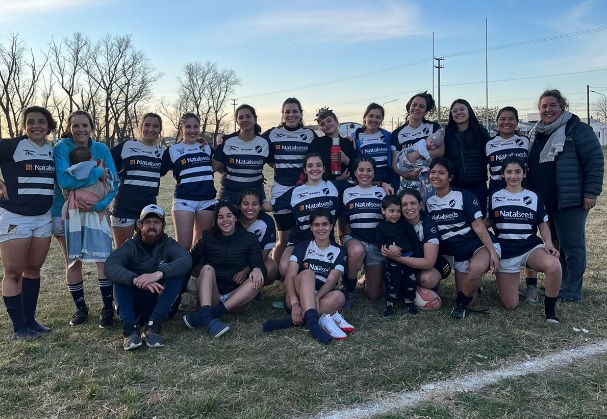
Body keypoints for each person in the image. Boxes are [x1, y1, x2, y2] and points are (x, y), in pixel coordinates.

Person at [526, 89, 603, 302]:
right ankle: (560, 284)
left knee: (572, 245)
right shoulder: (536, 132)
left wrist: (591, 192)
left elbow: (594, 161)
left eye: (553, 105)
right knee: (555, 244)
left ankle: (571, 291)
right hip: (545, 200)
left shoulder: (577, 129)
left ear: (562, 106)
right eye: (544, 106)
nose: (548, 110)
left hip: (570, 200)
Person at [54, 110, 118, 327]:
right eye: (76, 126)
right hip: (72, 212)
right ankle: (80, 308)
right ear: (69, 128)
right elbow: (65, 181)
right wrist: (96, 173)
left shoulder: (101, 149)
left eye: (85, 125)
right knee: (73, 261)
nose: (80, 130)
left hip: (97, 212)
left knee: (104, 259)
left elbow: (114, 181)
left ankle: (107, 308)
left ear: (92, 127)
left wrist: (101, 204)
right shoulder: (61, 148)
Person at [0, 106, 57, 339]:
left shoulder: (52, 150)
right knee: (14, 272)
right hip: (15, 216)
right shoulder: (12, 145)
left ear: (49, 125)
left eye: (41, 121)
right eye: (30, 121)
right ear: (24, 125)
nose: (36, 126)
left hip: (43, 217)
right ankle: (19, 327)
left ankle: (30, 320)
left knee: (33, 270)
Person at [104, 204, 192, 350]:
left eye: (156, 222)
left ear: (163, 226)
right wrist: (135, 279)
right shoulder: (131, 245)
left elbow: (185, 260)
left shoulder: (168, 244)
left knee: (177, 275)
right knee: (119, 278)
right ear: (140, 225)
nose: (152, 226)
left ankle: (154, 326)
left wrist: (157, 274)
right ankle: (129, 330)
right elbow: (110, 265)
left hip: (160, 301)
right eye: (148, 222)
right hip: (135, 303)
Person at [487, 157, 561, 322]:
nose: (513, 176)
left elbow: (542, 223)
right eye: (509, 172)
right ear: (503, 175)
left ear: (524, 173)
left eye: (517, 171)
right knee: (510, 305)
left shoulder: (533, 196)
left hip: (530, 247)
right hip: (506, 250)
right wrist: (472, 225)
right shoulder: (494, 196)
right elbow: (489, 221)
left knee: (554, 265)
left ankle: (550, 312)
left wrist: (548, 243)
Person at [262, 209, 353, 344]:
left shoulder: (340, 251)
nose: (321, 228)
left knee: (339, 297)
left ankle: (294, 321)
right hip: (295, 298)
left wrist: (316, 297)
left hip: (319, 297)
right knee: (308, 273)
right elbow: (289, 276)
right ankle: (314, 326)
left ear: (331, 226)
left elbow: (331, 281)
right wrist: (295, 303)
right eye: (316, 225)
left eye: (325, 224)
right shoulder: (302, 246)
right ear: (311, 227)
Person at [425, 158, 500, 320]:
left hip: (478, 246)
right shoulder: (429, 202)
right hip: (458, 255)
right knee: (469, 297)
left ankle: (459, 306)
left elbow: (479, 227)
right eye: (432, 172)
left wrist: (493, 252)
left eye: (441, 173)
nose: (435, 176)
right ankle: (474, 287)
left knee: (473, 275)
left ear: (450, 177)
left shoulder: (464, 196)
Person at [262, 153, 358, 277]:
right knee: (285, 267)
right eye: (310, 166)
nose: (314, 168)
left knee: (320, 276)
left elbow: (360, 184)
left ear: (324, 168)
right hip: (299, 240)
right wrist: (249, 205)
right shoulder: (296, 192)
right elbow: (269, 206)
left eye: (318, 165)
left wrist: (382, 185)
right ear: (305, 170)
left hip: (324, 241)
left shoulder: (334, 187)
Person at [183, 201, 267, 337]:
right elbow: (189, 261)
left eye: (229, 216)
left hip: (236, 296)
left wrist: (257, 269)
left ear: (236, 218)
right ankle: (208, 316)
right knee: (207, 268)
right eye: (220, 217)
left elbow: (259, 264)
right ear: (216, 220)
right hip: (213, 295)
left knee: (257, 278)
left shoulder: (249, 238)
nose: (225, 220)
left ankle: (207, 316)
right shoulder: (207, 237)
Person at [485, 107, 537, 302]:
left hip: (521, 190)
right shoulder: (489, 144)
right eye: (503, 119)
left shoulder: (525, 141)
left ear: (516, 121)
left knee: (527, 234)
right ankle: (504, 275)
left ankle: (531, 285)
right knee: (502, 231)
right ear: (497, 121)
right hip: (497, 190)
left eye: (511, 119)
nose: (506, 122)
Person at [263, 98, 318, 270]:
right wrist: (223, 138)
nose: (291, 115)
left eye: (295, 111)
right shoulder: (273, 134)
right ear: (282, 114)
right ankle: (279, 273)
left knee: (306, 234)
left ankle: (302, 269)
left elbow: (319, 156)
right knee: (284, 237)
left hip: (304, 190)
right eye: (287, 111)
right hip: (281, 190)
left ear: (301, 114)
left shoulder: (309, 134)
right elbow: (254, 144)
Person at [110, 113, 167, 248]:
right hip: (124, 206)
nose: (150, 129)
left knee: (148, 251)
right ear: (140, 127)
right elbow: (104, 161)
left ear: (160, 130)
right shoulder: (127, 146)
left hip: (148, 208)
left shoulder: (163, 153)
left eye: (155, 126)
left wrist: (199, 142)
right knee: (123, 251)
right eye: (147, 125)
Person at [162, 112, 216, 249]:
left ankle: (196, 265)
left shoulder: (206, 147)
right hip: (184, 199)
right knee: (183, 246)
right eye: (188, 127)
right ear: (181, 129)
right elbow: (158, 171)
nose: (192, 130)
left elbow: (222, 165)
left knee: (201, 248)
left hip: (207, 200)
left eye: (195, 126)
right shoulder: (173, 150)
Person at [381, 188, 452, 292]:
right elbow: (382, 237)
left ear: (420, 205)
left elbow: (429, 262)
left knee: (427, 279)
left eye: (413, 203)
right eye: (404, 204)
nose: (409, 208)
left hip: (436, 260)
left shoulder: (428, 225)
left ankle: (424, 287)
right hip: (410, 259)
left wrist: (399, 259)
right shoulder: (396, 221)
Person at [340, 157, 387, 308]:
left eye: (369, 170)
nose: (365, 174)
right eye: (361, 170)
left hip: (375, 243)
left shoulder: (382, 192)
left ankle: (369, 276)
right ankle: (349, 289)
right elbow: (342, 217)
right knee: (356, 251)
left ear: (374, 173)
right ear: (355, 172)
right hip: (355, 239)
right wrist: (343, 232)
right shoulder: (347, 192)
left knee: (373, 294)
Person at [212, 104, 272, 204]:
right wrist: (198, 143)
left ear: (255, 119)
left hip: (255, 196)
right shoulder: (226, 141)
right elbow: (212, 167)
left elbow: (277, 165)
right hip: (230, 195)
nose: (244, 120)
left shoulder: (264, 142)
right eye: (241, 117)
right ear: (237, 121)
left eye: (248, 116)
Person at [443, 99, 491, 216]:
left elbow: (490, 154)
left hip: (478, 185)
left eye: (462, 109)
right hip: (456, 186)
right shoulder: (447, 135)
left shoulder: (481, 132)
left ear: (469, 111)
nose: (458, 112)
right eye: (454, 111)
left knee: (479, 218)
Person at [376, 195, 422, 316]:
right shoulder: (381, 227)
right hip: (392, 261)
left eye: (398, 211)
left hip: (409, 259)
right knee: (392, 282)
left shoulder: (405, 224)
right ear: (383, 211)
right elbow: (379, 243)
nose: (395, 214)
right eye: (391, 211)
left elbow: (414, 240)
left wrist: (417, 256)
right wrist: (389, 246)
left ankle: (409, 302)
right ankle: (390, 304)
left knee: (410, 282)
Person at [392, 92, 444, 198]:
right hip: (409, 182)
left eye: (421, 106)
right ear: (409, 107)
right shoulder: (397, 133)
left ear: (426, 111)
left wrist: (416, 155)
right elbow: (395, 161)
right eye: (414, 105)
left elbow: (440, 151)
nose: (417, 108)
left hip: (431, 180)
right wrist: (405, 175)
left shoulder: (434, 127)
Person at [61, 147, 114, 222]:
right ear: (91, 158)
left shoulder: (73, 170)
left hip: (77, 202)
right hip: (95, 200)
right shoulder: (97, 166)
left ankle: (64, 218)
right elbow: (111, 179)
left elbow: (65, 187)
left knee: (68, 203)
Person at [238, 188, 278, 285]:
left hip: (254, 260)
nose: (250, 208)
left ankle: (254, 287)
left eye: (255, 204)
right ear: (239, 206)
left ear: (260, 207)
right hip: (234, 258)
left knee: (271, 267)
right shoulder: (233, 219)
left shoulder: (267, 222)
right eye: (246, 204)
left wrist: (246, 271)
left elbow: (264, 254)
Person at [352, 103, 396, 187]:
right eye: (371, 116)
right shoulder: (356, 136)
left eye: (378, 117)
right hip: (365, 183)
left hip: (387, 184)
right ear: (365, 117)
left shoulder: (388, 136)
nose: (374, 119)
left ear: (382, 120)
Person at [308, 107, 357, 181]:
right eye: (322, 124)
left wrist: (347, 160)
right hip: (323, 184)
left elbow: (357, 167)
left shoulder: (348, 143)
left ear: (336, 121)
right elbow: (312, 167)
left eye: (329, 121)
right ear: (321, 128)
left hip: (347, 184)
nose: (327, 125)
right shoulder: (317, 143)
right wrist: (337, 178)